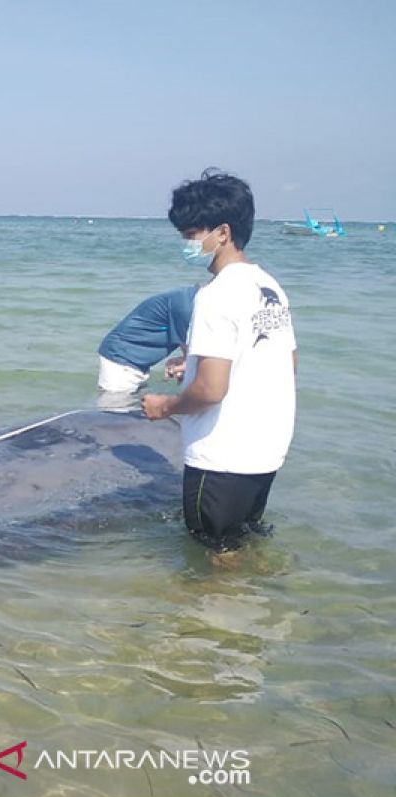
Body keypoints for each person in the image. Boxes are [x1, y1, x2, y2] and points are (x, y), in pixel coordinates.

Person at [141, 170, 297, 554]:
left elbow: (211, 390)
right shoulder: (268, 285)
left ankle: (210, 614)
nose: (186, 243)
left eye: (191, 234)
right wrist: (190, 368)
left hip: (222, 456)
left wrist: (166, 406)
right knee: (243, 546)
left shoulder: (216, 295)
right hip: (265, 450)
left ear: (222, 233)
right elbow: (283, 362)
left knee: (212, 557)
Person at [96, 284, 198, 405]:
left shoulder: (188, 298)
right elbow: (192, 355)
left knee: (132, 410)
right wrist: (187, 364)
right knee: (114, 413)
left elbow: (189, 351)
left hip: (134, 360)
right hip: (121, 359)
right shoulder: (186, 307)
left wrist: (185, 362)